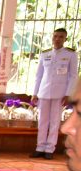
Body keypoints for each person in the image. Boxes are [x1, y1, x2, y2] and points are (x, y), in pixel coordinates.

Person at [30, 28, 78, 160]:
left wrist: (68, 93)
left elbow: (73, 76)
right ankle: (40, 147)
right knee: (42, 121)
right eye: (55, 36)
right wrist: (35, 93)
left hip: (60, 93)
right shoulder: (45, 54)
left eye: (61, 37)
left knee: (55, 121)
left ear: (65, 39)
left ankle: (50, 149)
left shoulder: (70, 54)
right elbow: (38, 75)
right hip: (44, 92)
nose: (57, 39)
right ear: (52, 37)